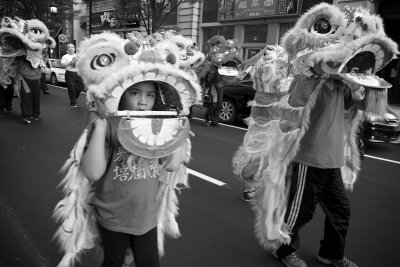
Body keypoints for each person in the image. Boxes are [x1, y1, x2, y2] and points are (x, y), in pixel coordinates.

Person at [81, 81, 188, 267]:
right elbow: (92, 172)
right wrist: (99, 127)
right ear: (122, 95)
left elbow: (171, 165)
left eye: (150, 95)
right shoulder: (111, 124)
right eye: (135, 93)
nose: (142, 102)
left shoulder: (158, 124)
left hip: (146, 216)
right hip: (112, 215)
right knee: (114, 262)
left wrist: (178, 129)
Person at [16, 56, 43, 124]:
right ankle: (25, 116)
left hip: (36, 79)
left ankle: (35, 114)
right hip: (25, 79)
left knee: (36, 97)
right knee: (26, 97)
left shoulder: (38, 54)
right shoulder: (20, 56)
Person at [60, 43, 84, 108]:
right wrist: (70, 63)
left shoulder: (77, 56)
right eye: (70, 47)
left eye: (72, 47)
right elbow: (62, 64)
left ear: (74, 48)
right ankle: (73, 102)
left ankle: (74, 98)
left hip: (78, 73)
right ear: (67, 49)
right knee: (71, 88)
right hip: (69, 73)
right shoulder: (65, 56)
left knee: (80, 87)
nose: (71, 49)